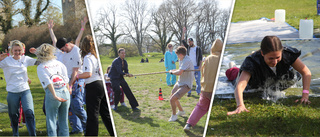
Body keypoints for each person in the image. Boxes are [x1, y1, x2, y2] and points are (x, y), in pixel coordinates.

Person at [227, 36, 312, 115]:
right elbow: (239, 87)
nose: (274, 62)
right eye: (271, 58)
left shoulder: (288, 54)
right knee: (235, 76)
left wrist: (305, 95)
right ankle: (233, 68)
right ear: (262, 53)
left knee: (290, 76)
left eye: (277, 57)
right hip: (255, 80)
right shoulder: (252, 62)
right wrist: (240, 105)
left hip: (276, 76)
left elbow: (306, 73)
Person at [48, 17, 88, 134]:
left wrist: (70, 86)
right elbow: (55, 41)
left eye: (62, 49)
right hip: (66, 80)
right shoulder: (62, 50)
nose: (61, 51)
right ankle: (77, 128)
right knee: (69, 106)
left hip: (77, 79)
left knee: (76, 105)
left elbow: (75, 71)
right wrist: (51, 29)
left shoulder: (76, 51)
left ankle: (87, 127)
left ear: (66, 44)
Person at [76, 35, 114, 136]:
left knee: (92, 115)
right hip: (100, 85)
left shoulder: (88, 58)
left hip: (93, 85)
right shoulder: (96, 57)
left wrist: (77, 76)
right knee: (105, 114)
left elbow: (88, 74)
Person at [184, 39, 223, 130]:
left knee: (200, 107)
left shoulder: (208, 58)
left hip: (206, 88)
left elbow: (203, 72)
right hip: (215, 89)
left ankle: (189, 124)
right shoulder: (221, 58)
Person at [0, 40, 37, 136]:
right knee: (13, 115)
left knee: (29, 112)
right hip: (12, 92)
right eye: (15, 50)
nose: (17, 52)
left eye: (19, 50)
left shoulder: (25, 59)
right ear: (11, 51)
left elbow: (40, 61)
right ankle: (15, 134)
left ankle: (33, 134)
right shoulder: (6, 61)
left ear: (22, 50)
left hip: (25, 90)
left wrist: (36, 52)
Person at [36, 44, 70, 136]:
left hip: (52, 93)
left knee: (51, 121)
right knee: (64, 122)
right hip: (65, 91)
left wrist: (55, 95)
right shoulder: (60, 64)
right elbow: (66, 79)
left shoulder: (41, 67)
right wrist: (67, 93)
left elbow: (48, 82)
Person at [168, 46, 194, 122]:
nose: (177, 56)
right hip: (180, 82)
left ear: (181, 54)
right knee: (172, 95)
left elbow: (179, 73)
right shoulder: (181, 59)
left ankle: (174, 116)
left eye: (177, 55)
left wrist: (172, 72)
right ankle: (181, 111)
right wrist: (174, 70)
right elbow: (180, 70)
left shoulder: (186, 60)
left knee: (172, 99)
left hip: (186, 84)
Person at [182, 27, 203, 96]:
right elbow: (183, 41)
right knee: (190, 80)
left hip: (196, 66)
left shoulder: (198, 48)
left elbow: (200, 58)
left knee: (198, 81)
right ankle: (189, 92)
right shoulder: (188, 48)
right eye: (188, 42)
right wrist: (183, 33)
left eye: (190, 42)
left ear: (193, 42)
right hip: (190, 67)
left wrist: (200, 66)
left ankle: (198, 92)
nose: (189, 43)